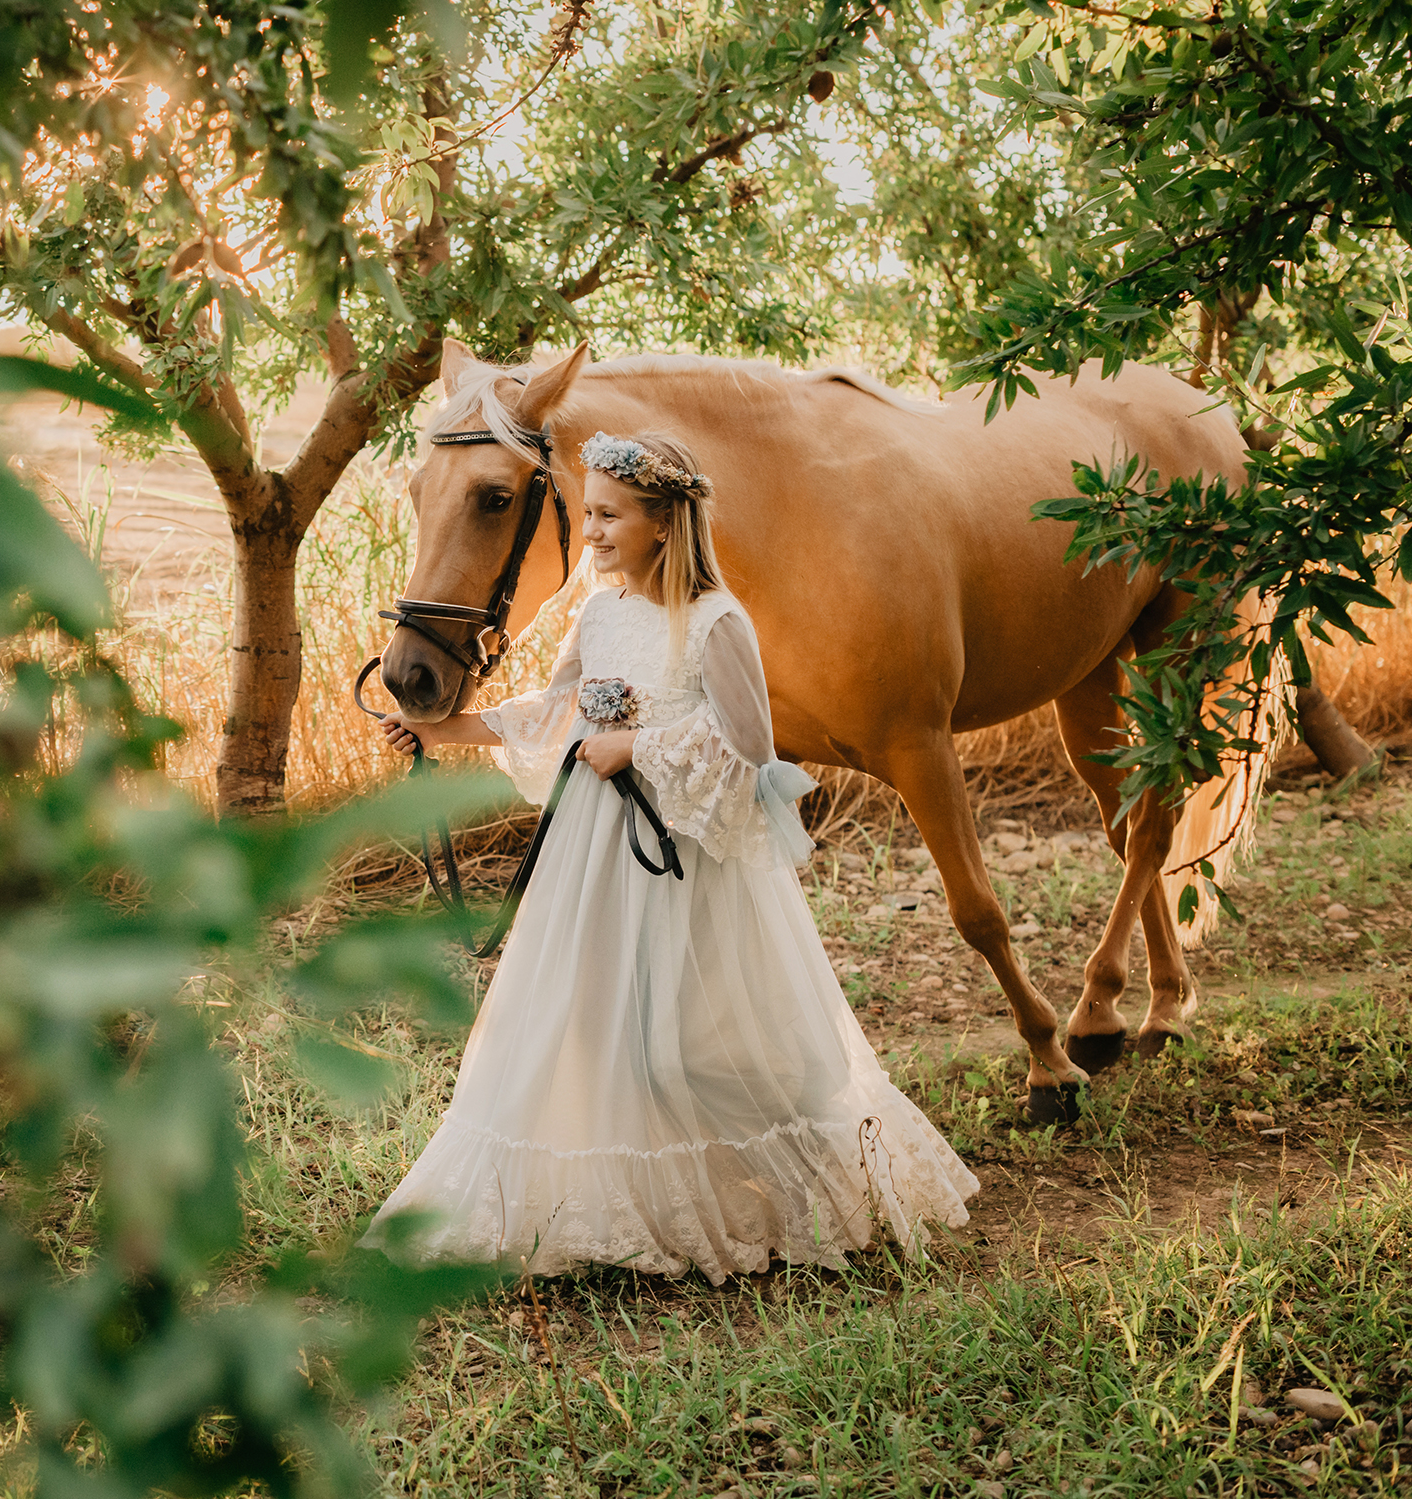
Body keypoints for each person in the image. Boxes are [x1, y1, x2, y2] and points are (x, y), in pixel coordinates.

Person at [365, 430, 976, 1282]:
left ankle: (820, 1170)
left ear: (663, 521)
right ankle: (612, 1211)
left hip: (682, 861)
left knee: (681, 1039)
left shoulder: (717, 620)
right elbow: (556, 710)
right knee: (585, 1020)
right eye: (588, 514)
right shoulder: (600, 612)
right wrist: (441, 727)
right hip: (595, 854)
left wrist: (638, 749)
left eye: (611, 515)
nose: (594, 532)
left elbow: (750, 744)